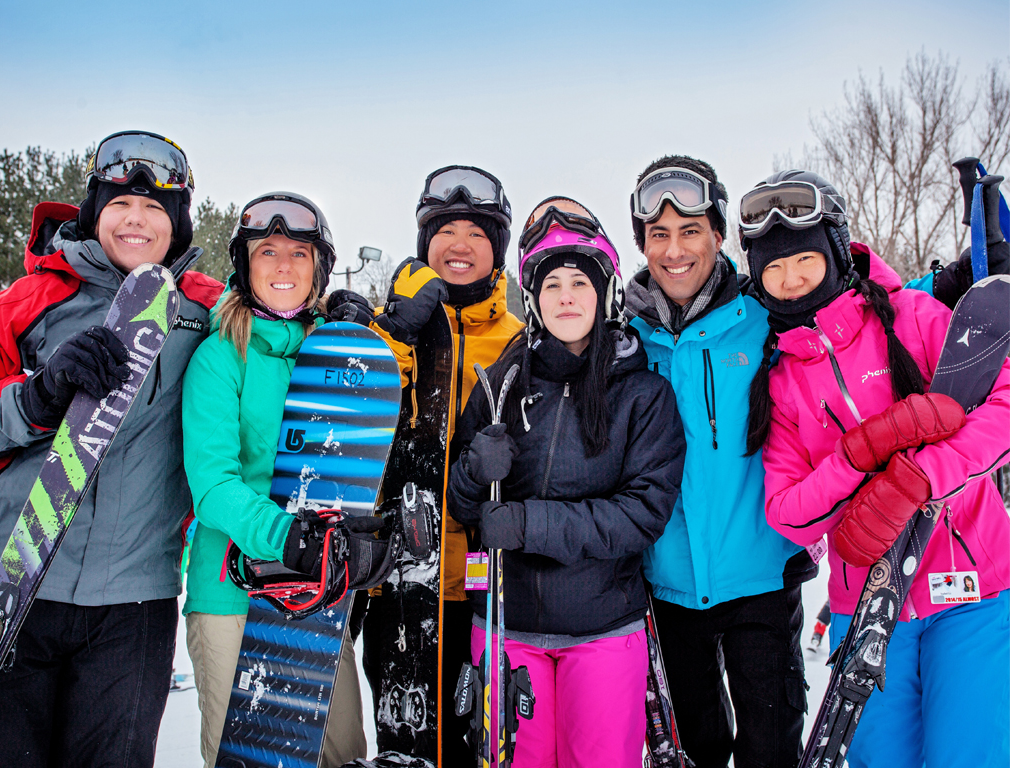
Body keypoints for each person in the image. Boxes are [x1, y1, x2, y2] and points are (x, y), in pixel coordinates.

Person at [622, 156, 997, 768]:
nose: (675, 251)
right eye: (658, 235)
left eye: (691, 230)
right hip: (670, 583)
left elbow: (856, 311)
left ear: (718, 236)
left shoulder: (760, 319)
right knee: (699, 748)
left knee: (774, 750)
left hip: (764, 580)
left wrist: (959, 283)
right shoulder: (630, 339)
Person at [743, 169, 1010, 768]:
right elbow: (788, 514)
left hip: (972, 593)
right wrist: (857, 458)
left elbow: (1004, 402)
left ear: (836, 253)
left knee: (968, 756)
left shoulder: (914, 318)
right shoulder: (780, 382)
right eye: (772, 268)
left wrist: (925, 476)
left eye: (805, 260)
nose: (790, 281)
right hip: (863, 609)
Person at [0, 130, 223, 767]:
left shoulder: (205, 313)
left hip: (133, 602)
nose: (136, 220)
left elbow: (275, 344)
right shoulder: (26, 303)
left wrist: (341, 323)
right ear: (94, 212)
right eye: (119, 203)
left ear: (176, 224)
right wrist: (36, 399)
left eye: (154, 207)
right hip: (16, 584)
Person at [447, 197, 685, 767]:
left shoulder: (641, 395)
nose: (567, 296)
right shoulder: (501, 384)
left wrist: (531, 524)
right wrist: (477, 471)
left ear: (604, 292)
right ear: (533, 298)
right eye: (552, 284)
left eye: (580, 281)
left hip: (603, 627)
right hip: (508, 627)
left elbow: (642, 513)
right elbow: (457, 502)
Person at [181, 192, 374, 768]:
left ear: (319, 266)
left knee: (343, 752)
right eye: (268, 251)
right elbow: (212, 486)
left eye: (299, 252)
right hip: (232, 594)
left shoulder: (332, 352)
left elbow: (355, 465)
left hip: (317, 591)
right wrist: (289, 536)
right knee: (249, 757)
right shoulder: (219, 355)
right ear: (245, 265)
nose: (284, 266)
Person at [364, 165, 524, 761]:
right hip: (398, 584)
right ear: (423, 243)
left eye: (478, 233)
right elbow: (359, 416)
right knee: (401, 742)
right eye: (446, 230)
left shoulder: (519, 340)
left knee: (471, 743)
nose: (460, 245)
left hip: (481, 587)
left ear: (498, 249)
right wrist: (398, 332)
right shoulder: (389, 328)